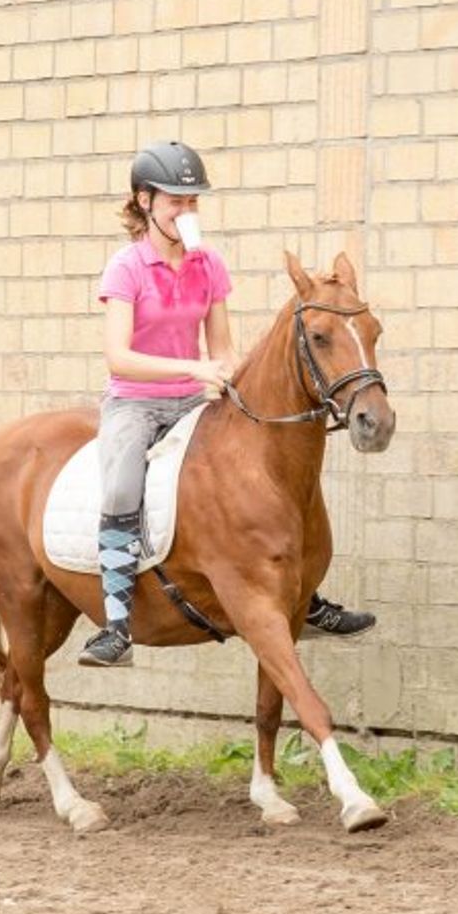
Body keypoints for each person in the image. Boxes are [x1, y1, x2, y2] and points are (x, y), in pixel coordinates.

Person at [79, 140, 375, 668]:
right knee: (123, 482)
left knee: (261, 476)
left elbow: (220, 347)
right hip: (137, 403)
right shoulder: (126, 267)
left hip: (194, 401)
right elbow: (119, 358)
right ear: (145, 201)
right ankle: (117, 622)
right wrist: (192, 369)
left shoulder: (207, 265)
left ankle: (301, 600)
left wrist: (227, 378)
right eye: (177, 201)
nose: (187, 211)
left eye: (194, 202)